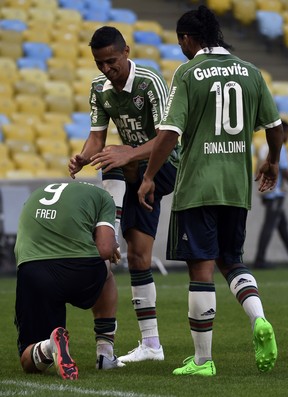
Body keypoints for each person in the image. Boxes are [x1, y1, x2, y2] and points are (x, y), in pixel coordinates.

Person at [138, 5, 282, 376]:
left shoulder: (188, 73)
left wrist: (150, 175)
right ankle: (259, 319)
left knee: (200, 270)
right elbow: (275, 125)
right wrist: (273, 162)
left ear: (187, 39)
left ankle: (203, 361)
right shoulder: (251, 71)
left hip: (198, 184)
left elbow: (169, 132)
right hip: (236, 187)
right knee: (231, 260)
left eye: (180, 42)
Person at [68, 26, 179, 362]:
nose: (106, 69)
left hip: (163, 167)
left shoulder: (149, 82)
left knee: (115, 157)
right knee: (140, 257)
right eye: (100, 63)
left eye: (111, 61)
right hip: (131, 173)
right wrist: (84, 155)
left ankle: (108, 230)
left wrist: (127, 153)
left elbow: (166, 138)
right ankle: (151, 345)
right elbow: (96, 138)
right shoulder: (99, 89)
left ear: (126, 51)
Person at [14, 181, 124, 380]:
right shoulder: (103, 197)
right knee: (107, 272)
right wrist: (112, 246)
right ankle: (105, 354)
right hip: (78, 270)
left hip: (33, 271)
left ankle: (49, 346)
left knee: (27, 361)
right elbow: (105, 248)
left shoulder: (38, 193)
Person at [254, 119, 288, 269]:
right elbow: (285, 171)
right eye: (287, 133)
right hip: (275, 193)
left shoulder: (263, 147)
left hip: (269, 193)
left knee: (282, 227)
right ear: (283, 132)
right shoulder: (280, 148)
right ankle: (259, 260)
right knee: (269, 225)